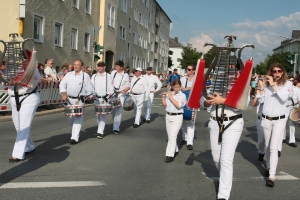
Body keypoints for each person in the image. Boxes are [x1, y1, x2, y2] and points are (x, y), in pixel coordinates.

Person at [200, 67, 246, 199]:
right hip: (215, 123)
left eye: (232, 70)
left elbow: (243, 104)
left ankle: (223, 195)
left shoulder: (241, 85)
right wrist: (206, 102)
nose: (229, 73)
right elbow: (201, 100)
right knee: (216, 158)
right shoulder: (215, 83)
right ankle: (224, 180)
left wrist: (223, 101)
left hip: (233, 123)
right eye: (227, 70)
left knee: (226, 160)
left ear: (237, 72)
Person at [256, 63, 293, 187]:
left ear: (282, 72)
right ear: (271, 72)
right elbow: (260, 101)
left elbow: (283, 98)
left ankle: (272, 176)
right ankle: (267, 166)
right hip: (266, 119)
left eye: (279, 71)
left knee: (274, 147)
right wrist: (261, 87)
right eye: (274, 71)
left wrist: (273, 85)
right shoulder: (267, 84)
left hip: (280, 120)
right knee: (267, 145)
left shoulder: (288, 84)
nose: (276, 74)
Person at [7, 62, 41, 162]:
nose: (22, 61)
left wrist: (15, 81)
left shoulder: (33, 70)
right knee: (18, 126)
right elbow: (6, 80)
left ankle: (17, 154)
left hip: (29, 97)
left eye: (25, 58)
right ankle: (29, 147)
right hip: (14, 98)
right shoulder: (13, 68)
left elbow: (31, 82)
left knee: (23, 126)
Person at [60, 59, 95, 144]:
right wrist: (63, 93)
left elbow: (89, 88)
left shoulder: (85, 76)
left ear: (81, 66)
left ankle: (75, 138)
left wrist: (89, 95)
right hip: (69, 99)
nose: (75, 66)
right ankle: (73, 135)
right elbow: (62, 84)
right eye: (74, 64)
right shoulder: (68, 74)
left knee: (78, 118)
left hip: (79, 100)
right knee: (71, 118)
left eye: (77, 65)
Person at [162, 79, 187, 163]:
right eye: (175, 87)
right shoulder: (170, 94)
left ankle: (169, 155)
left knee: (172, 136)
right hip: (168, 116)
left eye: (178, 87)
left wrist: (171, 96)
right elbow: (164, 105)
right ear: (172, 86)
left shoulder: (182, 95)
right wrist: (163, 97)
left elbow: (178, 105)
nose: (177, 89)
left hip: (177, 117)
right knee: (170, 136)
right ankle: (175, 149)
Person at [91, 61, 114, 139]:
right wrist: (91, 95)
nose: (99, 67)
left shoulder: (108, 76)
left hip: (104, 98)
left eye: (101, 66)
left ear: (104, 67)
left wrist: (111, 93)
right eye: (98, 66)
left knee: (103, 115)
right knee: (97, 115)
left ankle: (100, 131)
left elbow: (111, 86)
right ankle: (99, 129)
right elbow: (91, 86)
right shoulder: (94, 76)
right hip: (96, 98)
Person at [111, 60, 130, 134]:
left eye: (117, 66)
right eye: (116, 66)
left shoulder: (125, 75)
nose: (116, 68)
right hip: (113, 94)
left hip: (120, 94)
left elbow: (128, 85)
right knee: (113, 110)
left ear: (121, 67)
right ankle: (114, 124)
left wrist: (124, 90)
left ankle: (116, 128)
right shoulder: (113, 73)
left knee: (118, 111)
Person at [180, 64, 196, 150]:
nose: (187, 71)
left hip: (192, 102)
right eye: (187, 69)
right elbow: (177, 87)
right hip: (183, 101)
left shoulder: (196, 79)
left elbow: (199, 88)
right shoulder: (182, 79)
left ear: (193, 71)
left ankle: (190, 142)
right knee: (183, 121)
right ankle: (184, 138)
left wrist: (189, 87)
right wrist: (181, 88)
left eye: (189, 69)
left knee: (191, 122)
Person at [281, 75, 300, 148]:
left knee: (292, 124)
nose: (291, 82)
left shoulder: (297, 89)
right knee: (283, 123)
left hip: (294, 108)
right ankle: (283, 137)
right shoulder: (284, 88)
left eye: (293, 80)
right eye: (290, 80)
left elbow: (299, 99)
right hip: (285, 107)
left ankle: (292, 141)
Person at [252, 77, 265, 161]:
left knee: (271, 144)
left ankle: (269, 165)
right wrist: (257, 94)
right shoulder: (259, 93)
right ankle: (261, 152)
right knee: (261, 142)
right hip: (261, 120)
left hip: (271, 120)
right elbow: (253, 104)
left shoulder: (270, 92)